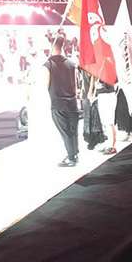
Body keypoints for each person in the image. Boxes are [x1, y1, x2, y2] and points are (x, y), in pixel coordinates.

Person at [42, 35, 80, 167]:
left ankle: (71, 158)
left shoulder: (48, 65)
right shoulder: (71, 64)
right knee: (73, 131)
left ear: (52, 46)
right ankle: (74, 154)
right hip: (72, 102)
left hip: (58, 103)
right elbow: (76, 84)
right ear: (63, 46)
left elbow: (45, 85)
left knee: (65, 132)